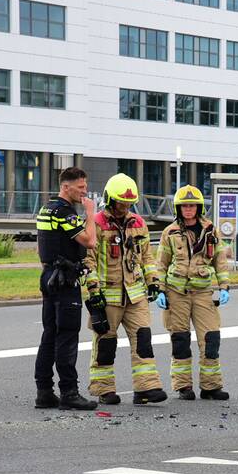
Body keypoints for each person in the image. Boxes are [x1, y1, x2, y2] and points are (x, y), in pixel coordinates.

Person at [83, 173, 167, 405]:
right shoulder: (97, 224)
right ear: (110, 199)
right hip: (106, 296)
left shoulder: (138, 224)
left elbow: (147, 256)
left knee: (143, 339)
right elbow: (87, 261)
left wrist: (153, 281)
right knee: (105, 344)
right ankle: (103, 389)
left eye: (129, 203)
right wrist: (93, 290)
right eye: (121, 202)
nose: (125, 207)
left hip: (135, 293)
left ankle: (146, 388)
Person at [155, 185, 232, 400]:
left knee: (211, 339)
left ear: (199, 208)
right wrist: (160, 291)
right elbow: (160, 264)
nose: (188, 209)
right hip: (176, 293)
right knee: (180, 340)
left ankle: (210, 387)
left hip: (202, 292)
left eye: (192, 205)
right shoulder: (169, 232)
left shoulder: (210, 230)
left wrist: (224, 286)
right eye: (184, 206)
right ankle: (183, 387)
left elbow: (220, 260)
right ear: (178, 209)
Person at [34, 167, 99, 411]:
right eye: (80, 187)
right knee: (67, 335)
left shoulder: (46, 208)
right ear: (66, 187)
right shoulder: (64, 211)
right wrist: (90, 213)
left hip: (49, 275)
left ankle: (44, 391)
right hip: (64, 280)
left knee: (49, 334)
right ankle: (69, 392)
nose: (84, 192)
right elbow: (90, 241)